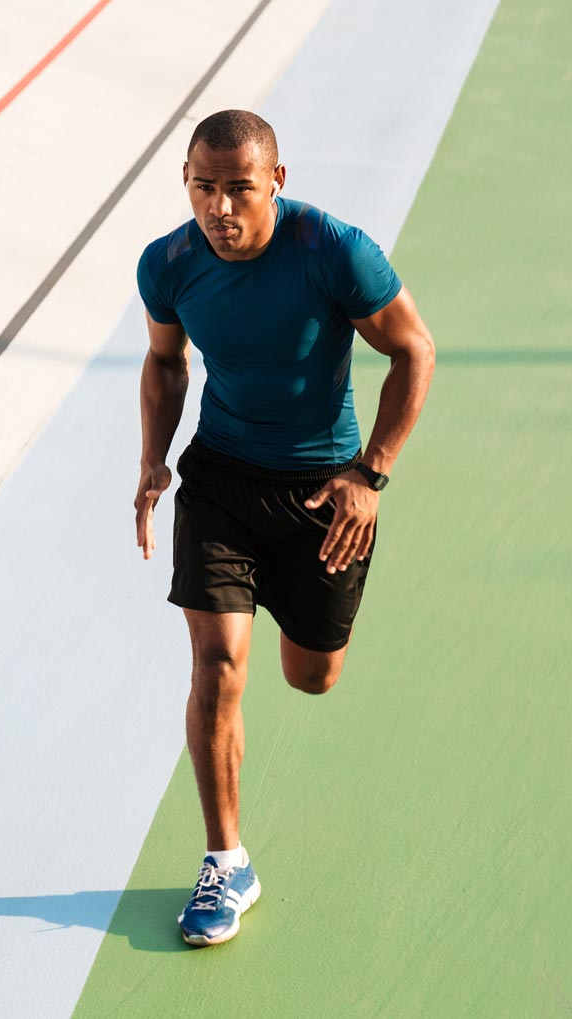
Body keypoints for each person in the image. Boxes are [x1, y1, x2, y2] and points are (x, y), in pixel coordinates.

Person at [134, 109, 435, 947]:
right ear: (186, 181)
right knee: (217, 661)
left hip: (323, 493)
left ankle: (295, 613)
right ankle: (226, 861)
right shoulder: (168, 264)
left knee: (311, 676)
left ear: (277, 181)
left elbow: (414, 349)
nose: (220, 206)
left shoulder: (333, 250)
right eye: (203, 186)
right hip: (222, 480)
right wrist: (155, 460)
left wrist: (371, 473)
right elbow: (166, 360)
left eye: (239, 187)